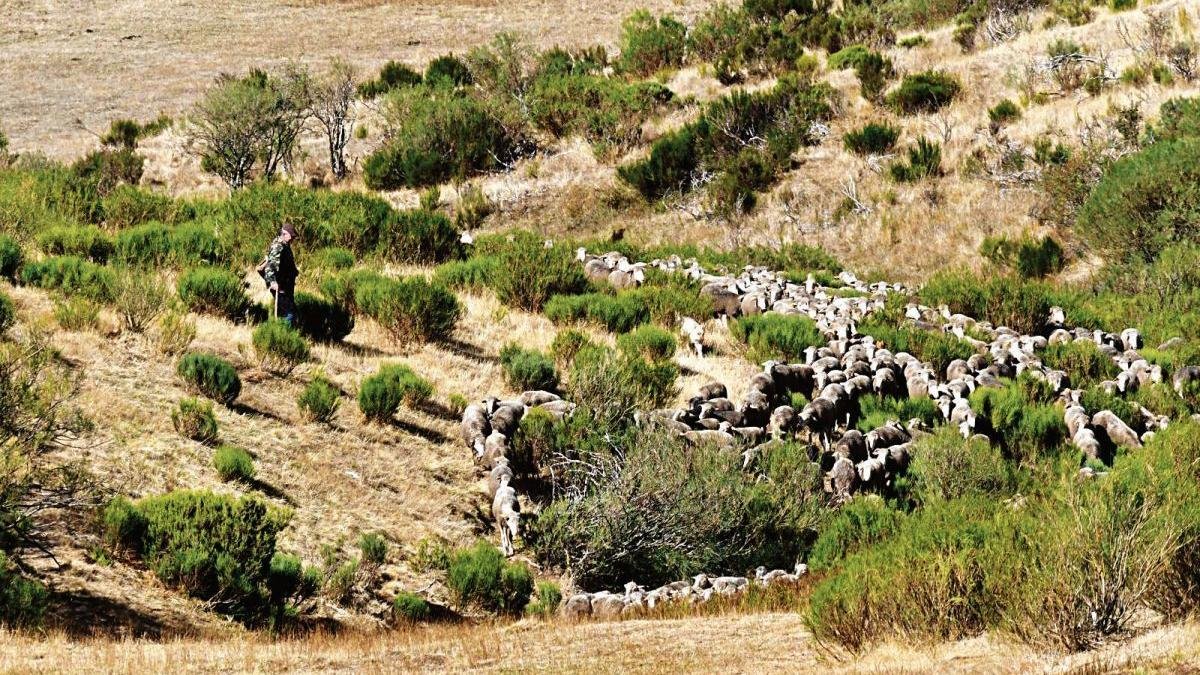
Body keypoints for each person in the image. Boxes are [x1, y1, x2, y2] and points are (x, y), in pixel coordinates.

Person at [260, 223, 298, 325]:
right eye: (292, 236)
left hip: (285, 286)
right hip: (280, 287)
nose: (293, 239)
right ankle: (283, 336)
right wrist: (273, 282)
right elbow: (270, 266)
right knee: (289, 314)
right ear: (285, 234)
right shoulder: (278, 246)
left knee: (288, 312)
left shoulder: (285, 245)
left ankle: (280, 332)